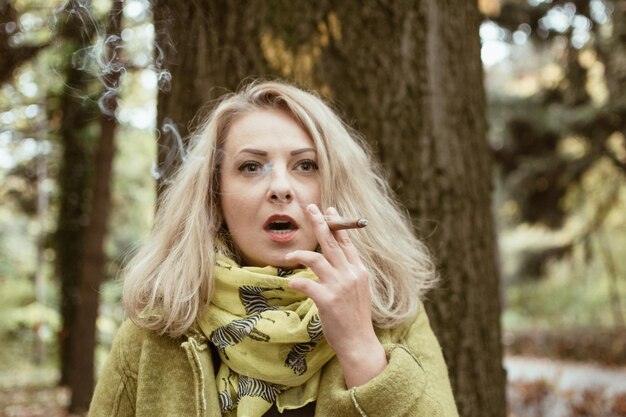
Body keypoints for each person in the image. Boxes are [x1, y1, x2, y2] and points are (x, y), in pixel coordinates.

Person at [88, 80, 459, 417]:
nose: (281, 187)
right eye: (251, 167)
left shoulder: (390, 311)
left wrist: (361, 346)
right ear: (215, 197)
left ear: (335, 189)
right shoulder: (161, 321)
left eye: (306, 165)